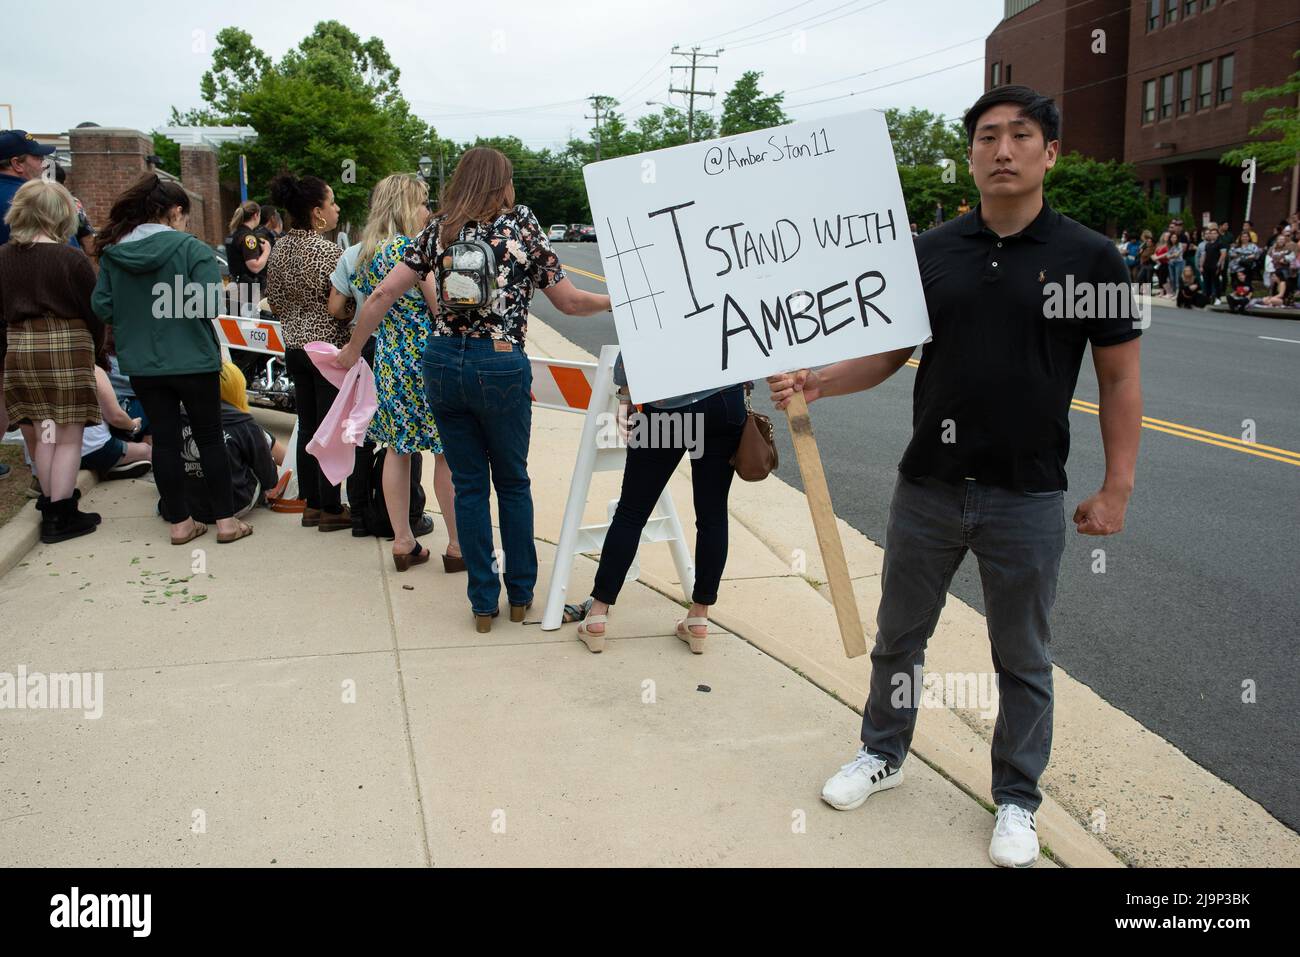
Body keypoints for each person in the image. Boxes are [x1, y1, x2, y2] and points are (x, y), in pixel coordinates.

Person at [770, 85, 1142, 868]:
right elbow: (889, 354)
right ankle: (882, 752)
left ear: (1051, 152)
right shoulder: (931, 251)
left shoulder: (1092, 257)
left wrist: (1117, 487)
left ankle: (1016, 799)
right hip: (928, 486)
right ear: (969, 153)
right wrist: (817, 382)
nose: (1002, 150)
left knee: (1023, 656)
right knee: (899, 637)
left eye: (1020, 136)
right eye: (986, 137)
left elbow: (1119, 379)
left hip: (1029, 495)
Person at [337, 147, 610, 632]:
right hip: (501, 363)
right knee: (512, 482)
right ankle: (521, 594)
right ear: (503, 183)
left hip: (441, 363)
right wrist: (617, 302)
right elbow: (568, 303)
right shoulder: (521, 225)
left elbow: (381, 294)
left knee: (468, 484)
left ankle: (482, 603)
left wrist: (353, 349)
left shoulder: (438, 229)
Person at [92, 172, 253, 546]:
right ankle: (226, 522)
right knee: (210, 438)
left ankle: (180, 523)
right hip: (194, 359)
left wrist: (139, 313)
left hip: (143, 363)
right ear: (175, 210)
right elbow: (211, 304)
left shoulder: (115, 254)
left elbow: (102, 306)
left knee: (163, 440)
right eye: (185, 214)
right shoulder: (192, 249)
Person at [563, 356, 747, 655]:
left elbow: (635, 328)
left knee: (632, 512)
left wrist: (625, 392)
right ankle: (699, 616)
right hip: (724, 400)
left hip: (667, 403)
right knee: (712, 514)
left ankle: (598, 613)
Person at [335, 173, 460, 570]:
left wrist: (355, 348)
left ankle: (403, 542)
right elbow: (439, 310)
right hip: (427, 359)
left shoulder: (364, 254)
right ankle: (458, 546)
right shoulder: (413, 251)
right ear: (408, 205)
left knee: (397, 450)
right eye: (423, 202)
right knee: (445, 453)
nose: (428, 211)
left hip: (388, 362)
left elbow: (367, 302)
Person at [0, 178, 105, 540]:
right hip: (66, 346)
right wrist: (99, 351)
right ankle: (62, 514)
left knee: (44, 433)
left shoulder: (3, 257)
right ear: (60, 215)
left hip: (20, 347)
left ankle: (49, 504)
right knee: (68, 437)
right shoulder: (71, 258)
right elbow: (94, 313)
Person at [264, 172, 352, 532]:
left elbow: (277, 302)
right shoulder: (329, 252)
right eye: (332, 203)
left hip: (295, 347)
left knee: (309, 427)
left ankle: (312, 504)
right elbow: (341, 305)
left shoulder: (279, 249)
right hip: (326, 352)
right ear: (317, 212)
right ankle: (330, 508)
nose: (336, 209)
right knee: (328, 430)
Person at [0, 130, 61, 481]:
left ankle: (42, 474)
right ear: (17, 163)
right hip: (49, 341)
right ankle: (52, 492)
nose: (42, 164)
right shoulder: (62, 256)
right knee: (54, 432)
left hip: (14, 340)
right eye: (36, 158)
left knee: (29, 418)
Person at [170, 362, 285, 522]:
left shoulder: (176, 416)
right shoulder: (243, 422)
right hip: (235, 505)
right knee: (256, 445)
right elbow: (269, 476)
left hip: (182, 509)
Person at [81, 364, 152, 480]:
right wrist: (133, 425)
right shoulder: (92, 369)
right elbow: (115, 417)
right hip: (93, 448)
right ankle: (120, 462)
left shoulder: (42, 369)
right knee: (147, 451)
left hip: (53, 448)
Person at [224, 201, 270, 317]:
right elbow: (254, 266)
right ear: (256, 215)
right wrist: (266, 251)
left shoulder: (235, 234)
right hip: (247, 290)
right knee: (250, 328)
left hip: (236, 286)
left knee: (235, 326)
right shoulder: (248, 237)